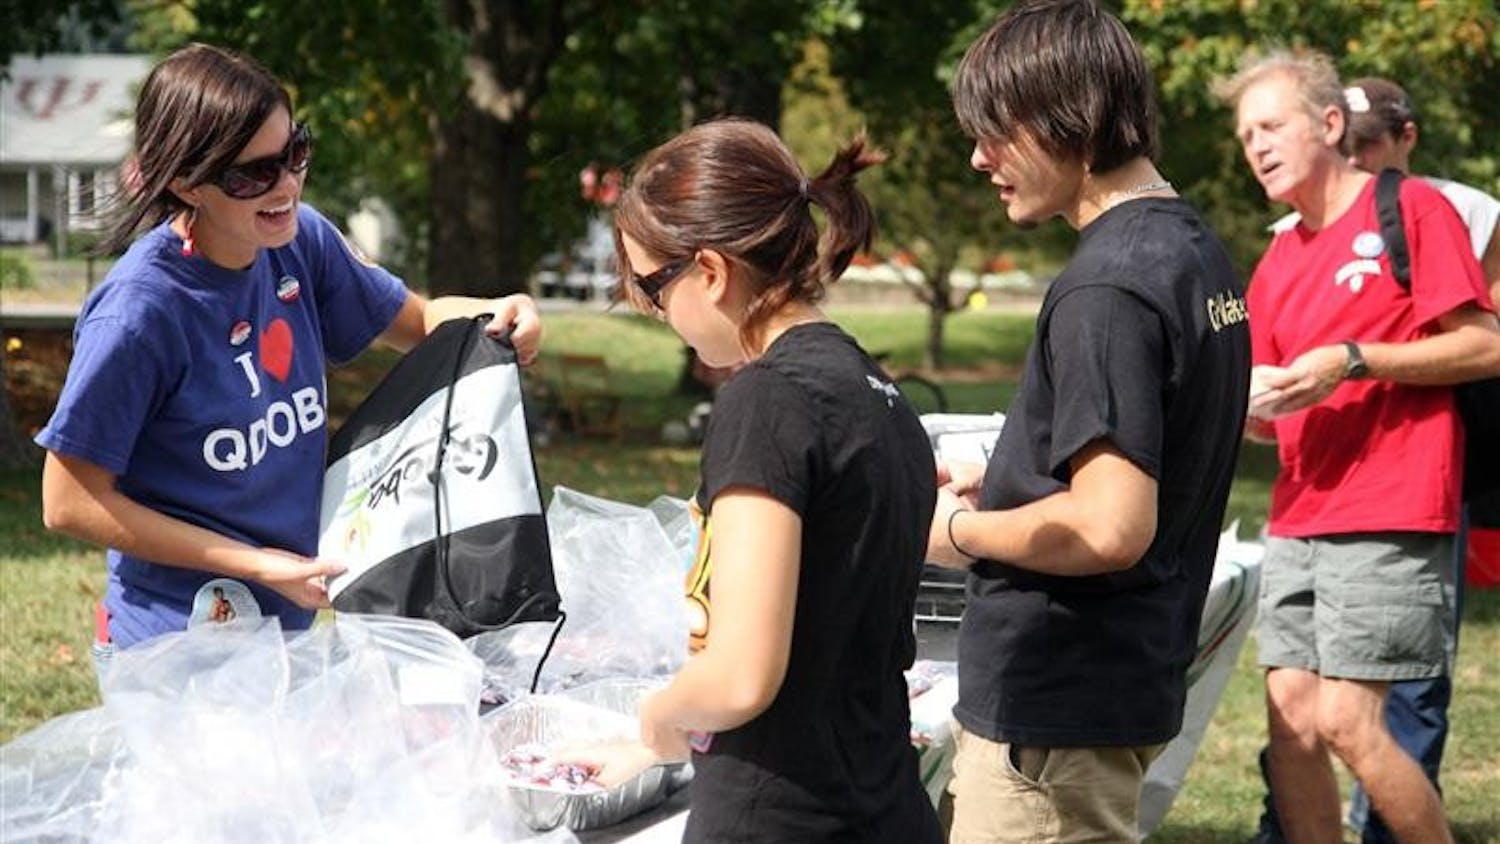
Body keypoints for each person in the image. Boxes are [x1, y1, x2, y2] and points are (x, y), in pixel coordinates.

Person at [37, 43, 542, 654]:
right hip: (172, 640)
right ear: (184, 182)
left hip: (286, 616)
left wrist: (499, 314)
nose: (286, 186)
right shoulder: (139, 314)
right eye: (252, 174)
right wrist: (254, 564)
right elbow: (69, 503)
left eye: (295, 153)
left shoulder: (301, 240)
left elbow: (421, 319)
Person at [924, 2, 1251, 841]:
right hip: (1118, 686)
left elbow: (1110, 527)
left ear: (1064, 115)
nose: (979, 157)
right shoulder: (1189, 249)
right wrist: (1004, 481)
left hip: (1055, 710)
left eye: (995, 131)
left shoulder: (1106, 287)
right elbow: (1147, 455)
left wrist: (957, 531)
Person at [608, 118, 943, 843]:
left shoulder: (767, 399)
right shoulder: (879, 393)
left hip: (784, 813)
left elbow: (740, 675)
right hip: (884, 805)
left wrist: (656, 718)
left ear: (710, 271)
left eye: (652, 288)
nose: (658, 314)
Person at [1217, 47, 1500, 844]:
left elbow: (1484, 346)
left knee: (1348, 719)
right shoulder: (1278, 259)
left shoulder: (1410, 210)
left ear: (1331, 124)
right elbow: (1278, 402)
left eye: (1271, 126)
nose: (1257, 147)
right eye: (1246, 136)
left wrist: (1352, 359)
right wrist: (1250, 412)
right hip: (1301, 511)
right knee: (1294, 724)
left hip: (1394, 502)